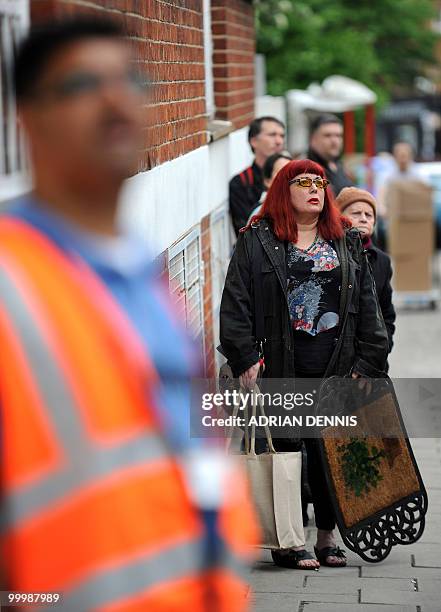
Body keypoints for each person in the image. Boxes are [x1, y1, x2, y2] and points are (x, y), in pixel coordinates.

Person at [0, 17, 258, 609]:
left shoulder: (141, 271)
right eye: (82, 85)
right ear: (27, 118)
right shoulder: (14, 285)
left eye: (129, 80)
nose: (115, 100)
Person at [220, 159, 388, 569]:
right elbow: (235, 301)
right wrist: (244, 357)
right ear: (283, 190)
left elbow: (369, 304)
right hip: (280, 365)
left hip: (337, 364)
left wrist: (369, 362)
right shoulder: (257, 239)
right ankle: (288, 539)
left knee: (332, 453)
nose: (314, 188)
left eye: (319, 182)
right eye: (303, 182)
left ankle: (328, 537)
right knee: (288, 451)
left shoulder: (344, 239)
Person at [335, 187, 396, 359]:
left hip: (372, 360)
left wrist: (380, 350)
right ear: (339, 217)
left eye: (369, 215)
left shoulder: (382, 260)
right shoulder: (329, 256)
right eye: (355, 213)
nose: (363, 219)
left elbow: (386, 314)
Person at [229, 116, 285, 235]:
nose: (279, 141)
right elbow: (244, 230)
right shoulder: (241, 182)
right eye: (272, 135)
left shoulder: (295, 175)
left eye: (282, 136)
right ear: (254, 141)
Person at [308, 114, 353, 196]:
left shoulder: (339, 165)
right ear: (313, 139)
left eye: (338, 136)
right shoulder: (306, 169)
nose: (334, 141)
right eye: (327, 135)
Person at [246, 151, 292, 223]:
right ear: (267, 181)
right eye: (282, 173)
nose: (289, 177)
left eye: (292, 173)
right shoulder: (260, 214)